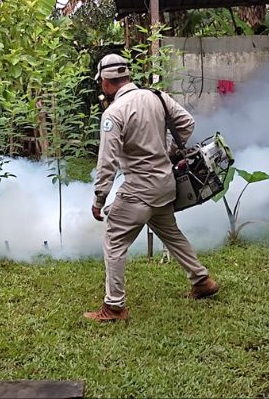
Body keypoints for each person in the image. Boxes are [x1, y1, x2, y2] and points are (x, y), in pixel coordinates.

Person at [84, 53, 219, 322]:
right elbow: (187, 123)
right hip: (165, 184)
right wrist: (169, 152)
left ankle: (114, 307)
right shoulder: (157, 96)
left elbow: (107, 161)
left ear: (107, 82)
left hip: (138, 189)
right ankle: (202, 280)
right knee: (171, 234)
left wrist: (100, 198)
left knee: (113, 241)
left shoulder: (114, 113)